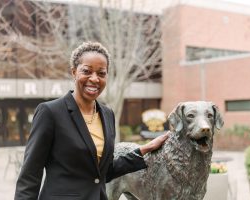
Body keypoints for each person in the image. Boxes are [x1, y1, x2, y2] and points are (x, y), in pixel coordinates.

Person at [14, 41, 169, 200]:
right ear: (74, 72)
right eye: (87, 71)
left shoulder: (107, 115)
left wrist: (145, 149)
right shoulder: (50, 112)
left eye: (101, 73)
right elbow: (29, 176)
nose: (94, 79)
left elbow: (103, 172)